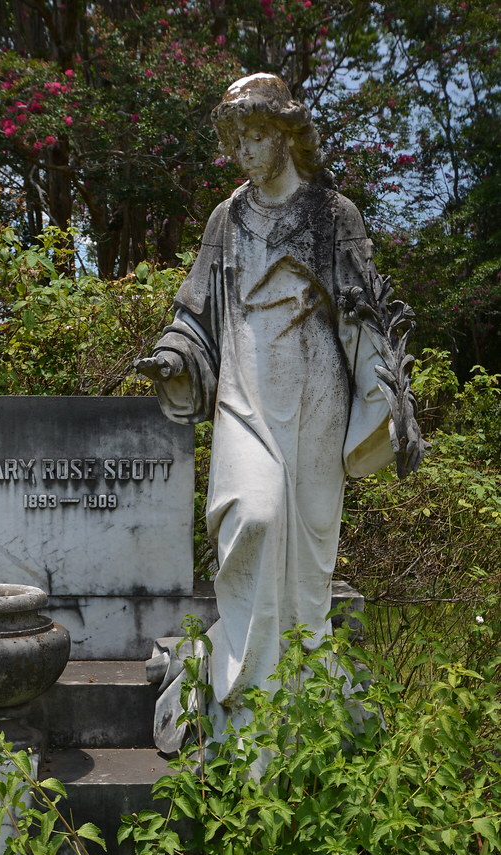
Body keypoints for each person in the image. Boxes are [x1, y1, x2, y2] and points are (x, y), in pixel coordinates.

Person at [137, 73, 420, 745]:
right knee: (252, 518)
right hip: (245, 389)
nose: (244, 152)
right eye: (233, 140)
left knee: (306, 554)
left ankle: (296, 695)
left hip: (315, 391)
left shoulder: (332, 215)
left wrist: (390, 395)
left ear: (286, 135)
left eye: (255, 136)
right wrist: (174, 357)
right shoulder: (225, 219)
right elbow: (193, 316)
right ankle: (238, 689)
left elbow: (365, 312)